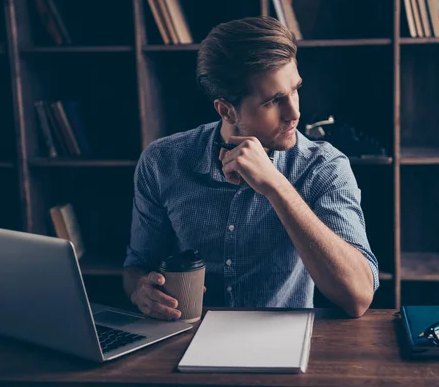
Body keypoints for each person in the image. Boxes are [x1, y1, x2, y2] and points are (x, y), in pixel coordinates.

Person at [122, 16, 379, 320]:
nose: (294, 112)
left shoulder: (324, 166)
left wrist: (276, 185)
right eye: (274, 101)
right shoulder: (162, 161)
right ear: (226, 109)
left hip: (283, 348)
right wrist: (141, 290)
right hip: (184, 341)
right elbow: (138, 264)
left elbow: (358, 297)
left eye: (295, 90)